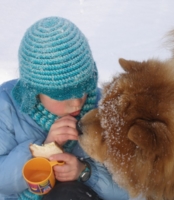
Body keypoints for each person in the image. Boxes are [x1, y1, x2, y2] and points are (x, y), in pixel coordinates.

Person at [0, 16, 130, 200]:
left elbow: (131, 188)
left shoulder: (101, 108)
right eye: (63, 96)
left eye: (84, 90)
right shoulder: (7, 106)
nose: (77, 103)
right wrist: (42, 150)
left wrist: (85, 172)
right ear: (35, 91)